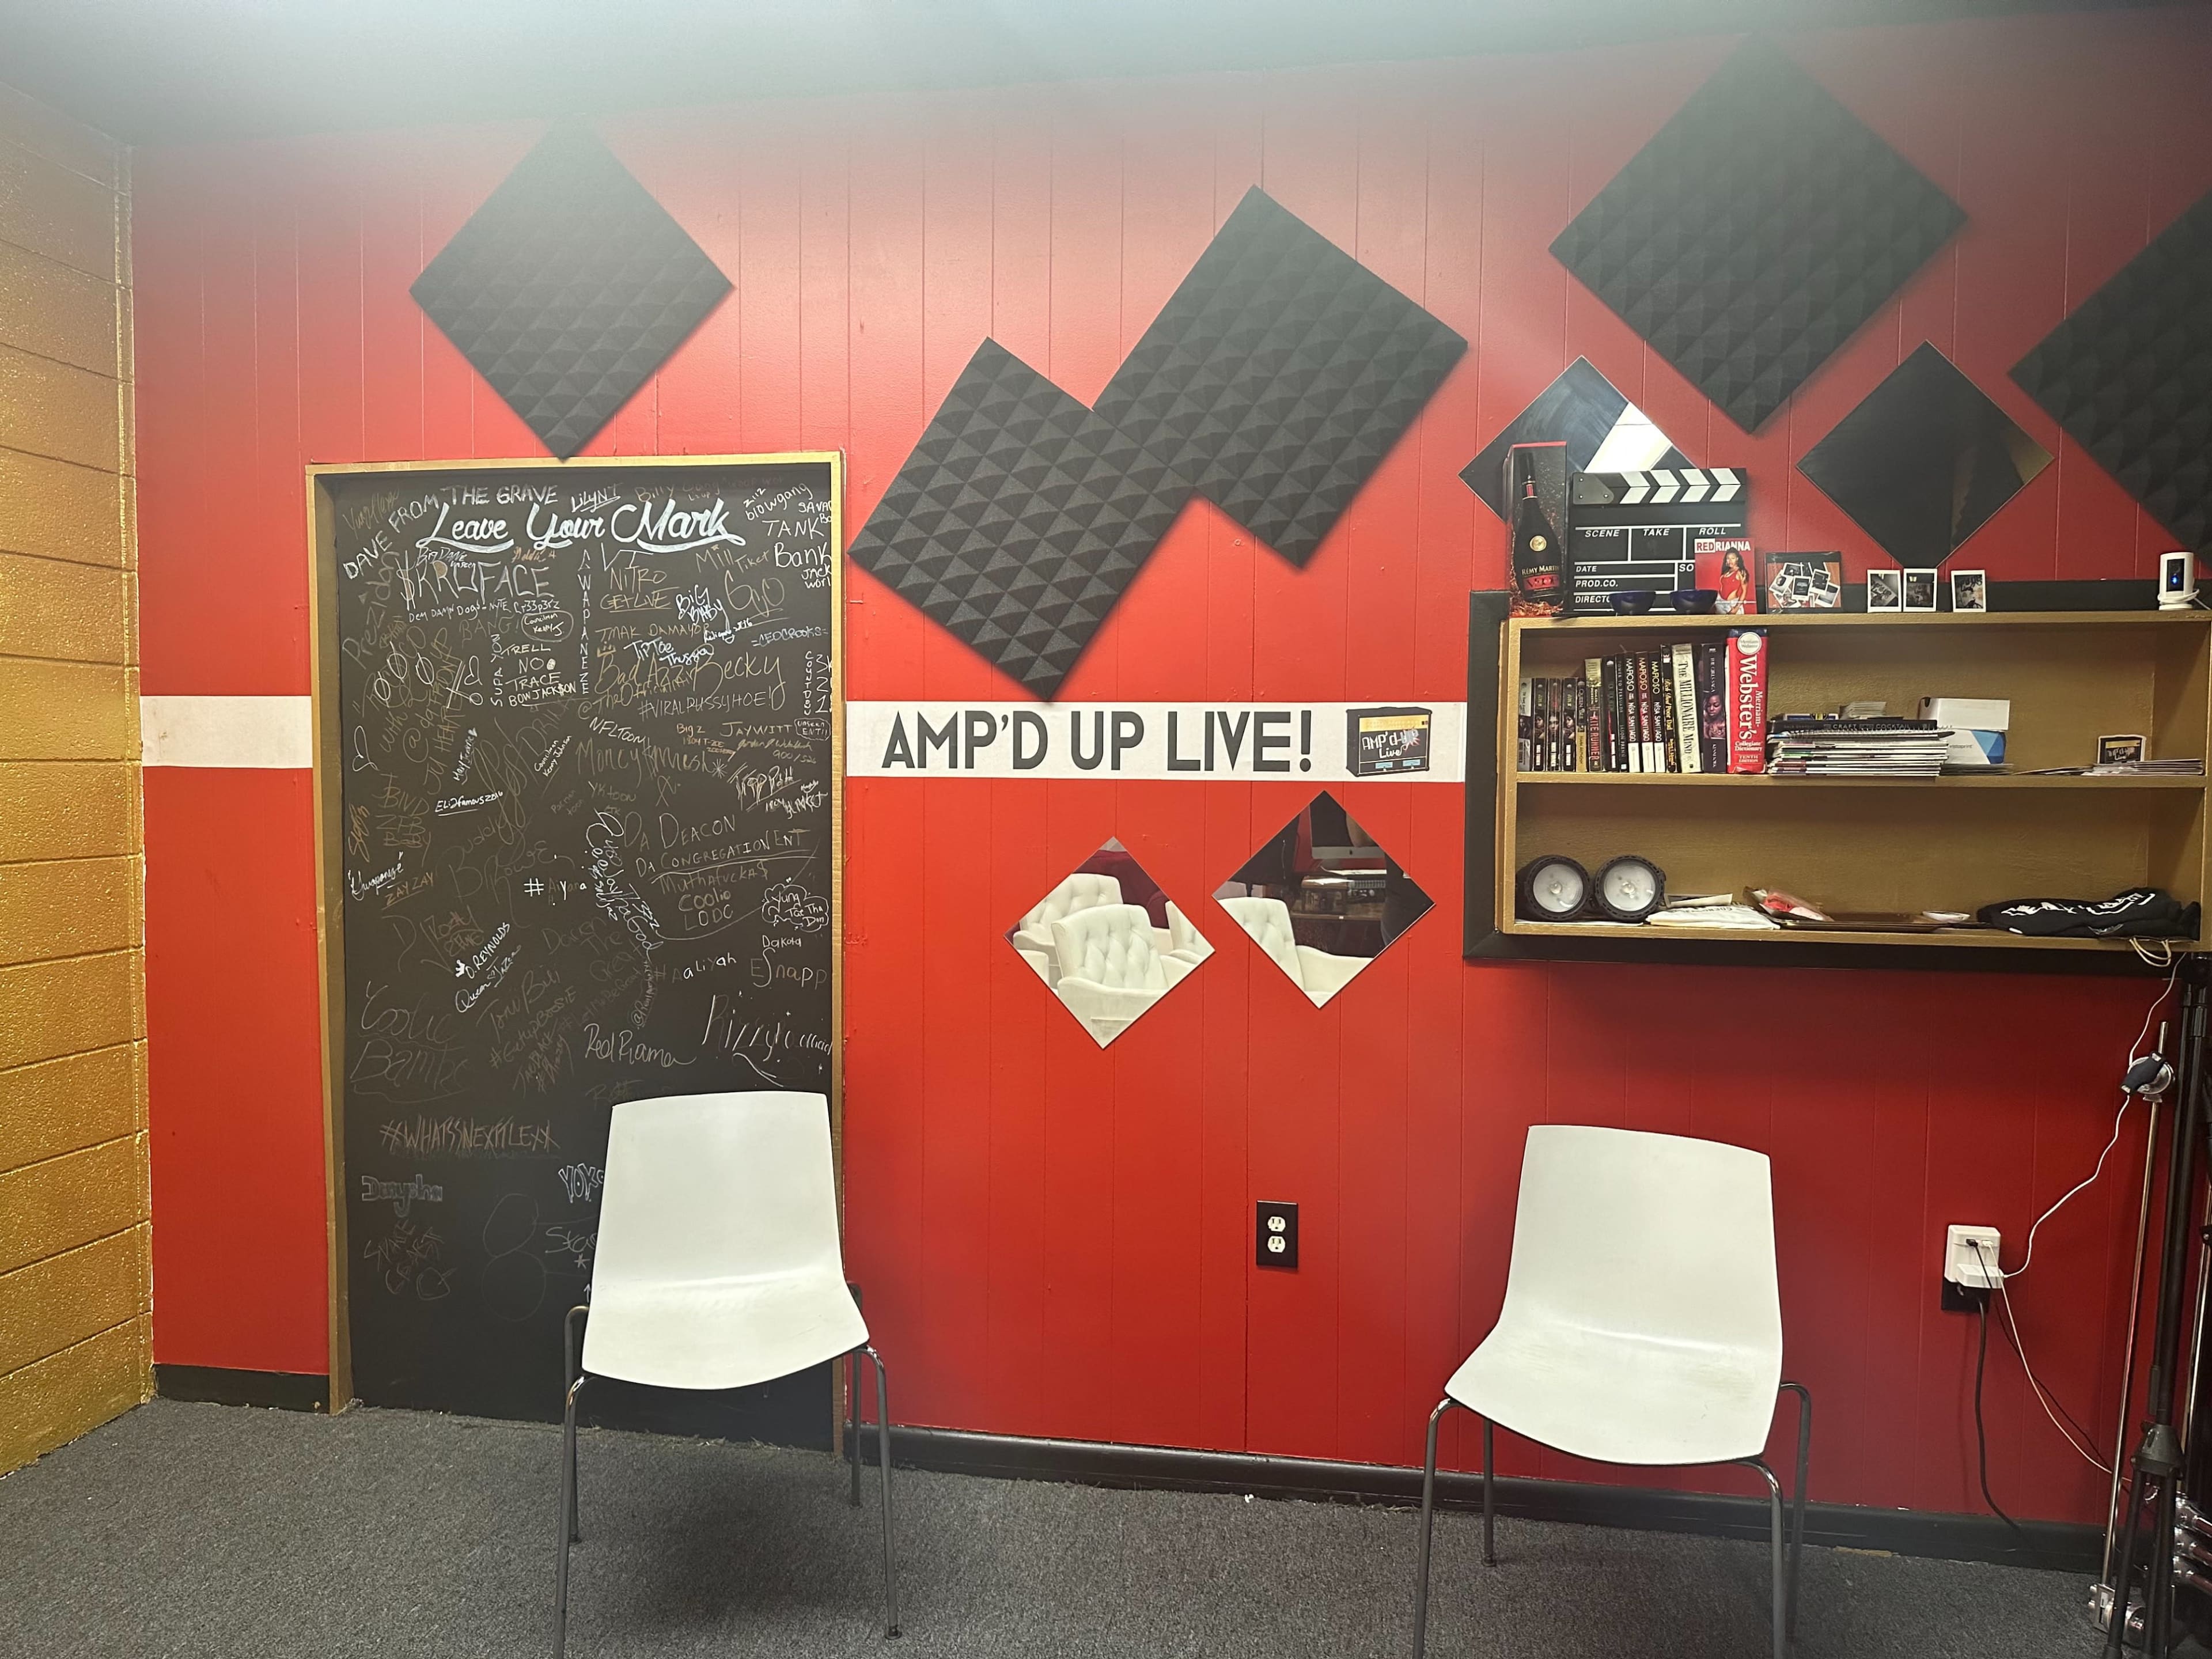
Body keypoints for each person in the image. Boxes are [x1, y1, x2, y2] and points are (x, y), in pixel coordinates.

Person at [1717, 546, 1753, 615]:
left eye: (1733, 558)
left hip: (1732, 604)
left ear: (1737, 559)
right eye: (1728, 558)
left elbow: (1744, 591)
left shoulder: (1741, 572)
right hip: (1721, 603)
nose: (1730, 561)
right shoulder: (1726, 571)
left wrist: (1737, 608)